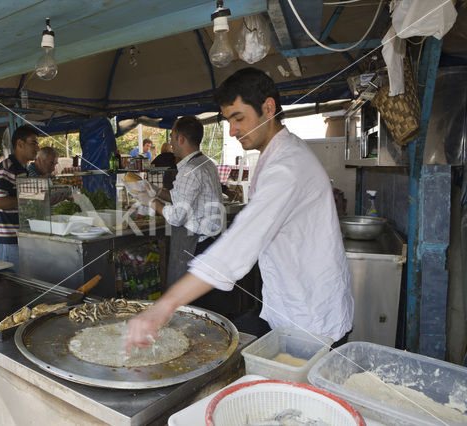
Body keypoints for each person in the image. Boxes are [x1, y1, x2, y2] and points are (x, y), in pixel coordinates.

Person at [126, 67, 353, 351]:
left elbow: (241, 242)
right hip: (289, 308)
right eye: (228, 120)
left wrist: (164, 306)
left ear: (268, 108)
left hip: (311, 320)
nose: (232, 130)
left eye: (239, 118)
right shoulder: (275, 155)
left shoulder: (288, 165)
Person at [134, 116, 223, 298]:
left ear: (180, 139)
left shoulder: (190, 170)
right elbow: (180, 198)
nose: (171, 143)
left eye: (172, 137)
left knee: (189, 303)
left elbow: (177, 216)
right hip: (209, 244)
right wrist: (156, 191)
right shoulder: (206, 163)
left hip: (195, 247)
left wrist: (149, 201)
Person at [0, 125, 40, 271]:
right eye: (33, 143)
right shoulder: (6, 167)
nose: (37, 148)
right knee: (10, 286)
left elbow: (24, 201)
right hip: (6, 239)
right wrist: (33, 199)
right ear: (20, 144)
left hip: (18, 237)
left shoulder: (24, 170)